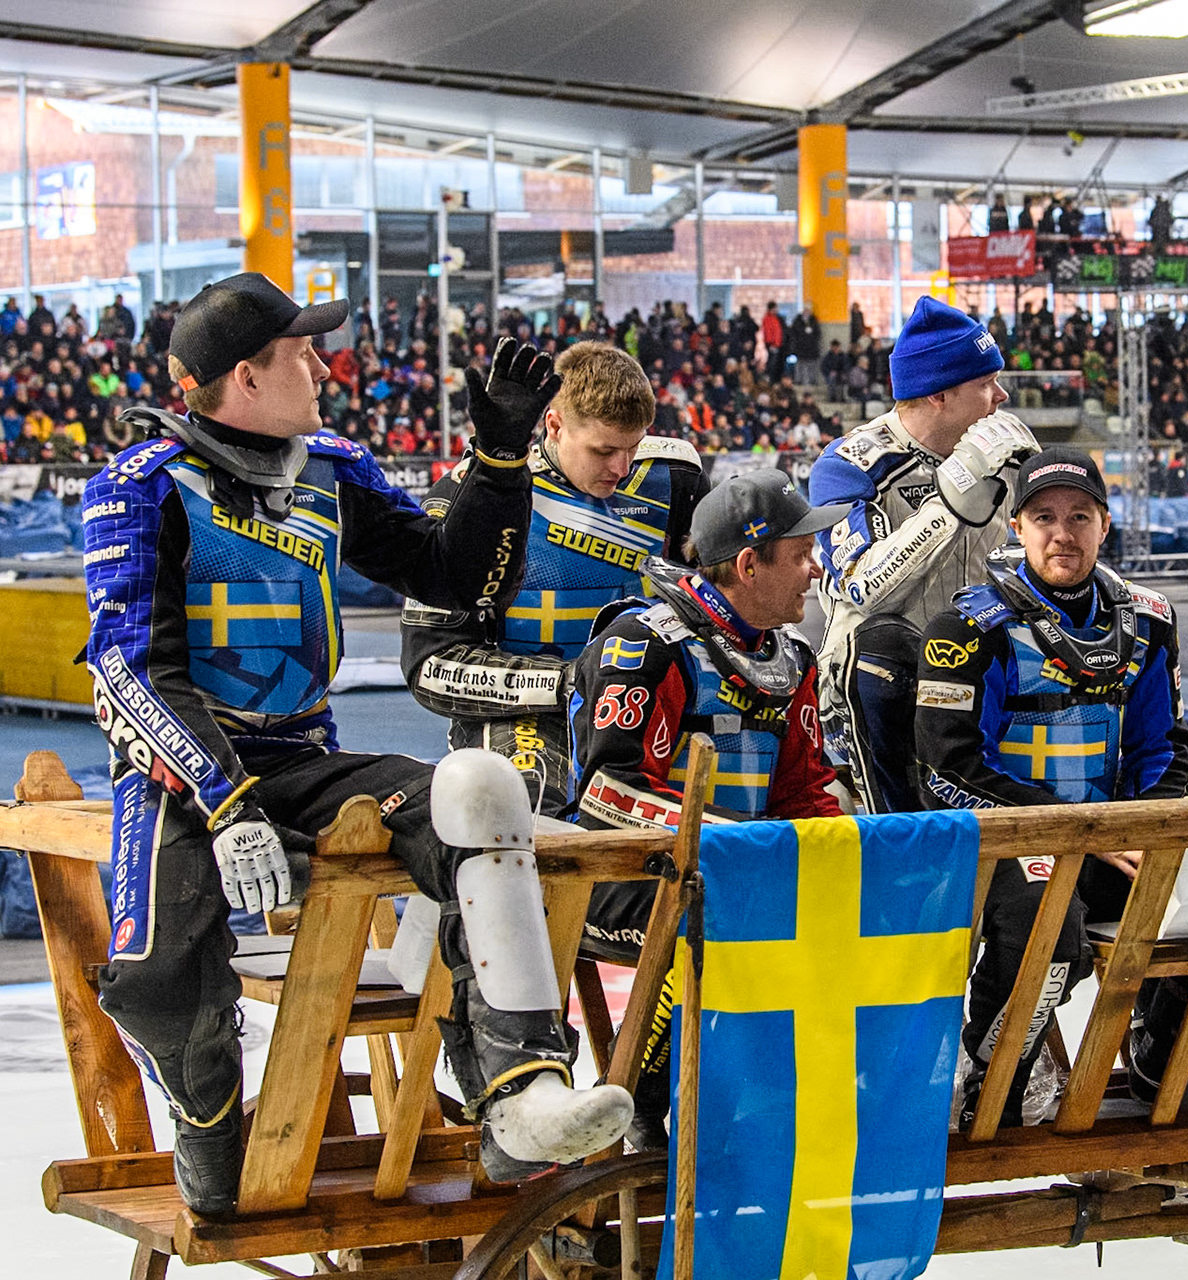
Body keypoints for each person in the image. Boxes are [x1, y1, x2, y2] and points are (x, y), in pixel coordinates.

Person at [80, 273, 631, 1213]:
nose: (326, 369)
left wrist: (500, 459)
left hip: (304, 757)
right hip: (180, 771)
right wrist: (225, 802)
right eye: (304, 353)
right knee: (152, 970)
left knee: (479, 792)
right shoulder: (138, 489)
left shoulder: (332, 466)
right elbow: (131, 671)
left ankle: (519, 1098)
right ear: (247, 376)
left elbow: (453, 576)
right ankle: (207, 1130)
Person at [569, 470, 847, 1142]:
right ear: (749, 565)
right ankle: (635, 1105)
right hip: (620, 877)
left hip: (736, 871)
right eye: (802, 555)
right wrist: (741, 847)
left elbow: (804, 795)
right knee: (726, 906)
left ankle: (787, 1103)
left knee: (848, 905)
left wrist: (852, 859)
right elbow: (610, 793)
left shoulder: (794, 659)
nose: (816, 571)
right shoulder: (646, 645)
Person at [914, 449, 1188, 1125]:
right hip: (1002, 844)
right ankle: (993, 1084)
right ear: (1016, 528)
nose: (1062, 533)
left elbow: (1164, 747)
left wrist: (1145, 827)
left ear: (1105, 526)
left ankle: (1164, 1055)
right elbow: (946, 769)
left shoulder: (1150, 622)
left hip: (1108, 840)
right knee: (1050, 929)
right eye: (1044, 517)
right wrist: (1078, 831)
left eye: (1079, 516)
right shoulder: (967, 628)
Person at [401, 341, 706, 813]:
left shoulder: (675, 478)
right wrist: (570, 683)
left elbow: (709, 604)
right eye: (604, 450)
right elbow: (430, 666)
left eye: (633, 447)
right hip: (527, 712)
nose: (621, 468)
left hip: (645, 703)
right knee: (530, 805)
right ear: (555, 425)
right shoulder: (473, 495)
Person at [809, 295, 1040, 813]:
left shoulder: (1005, 454)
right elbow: (863, 589)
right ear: (938, 394)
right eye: (986, 383)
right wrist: (951, 501)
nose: (1001, 396)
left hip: (975, 684)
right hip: (873, 700)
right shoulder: (848, 465)